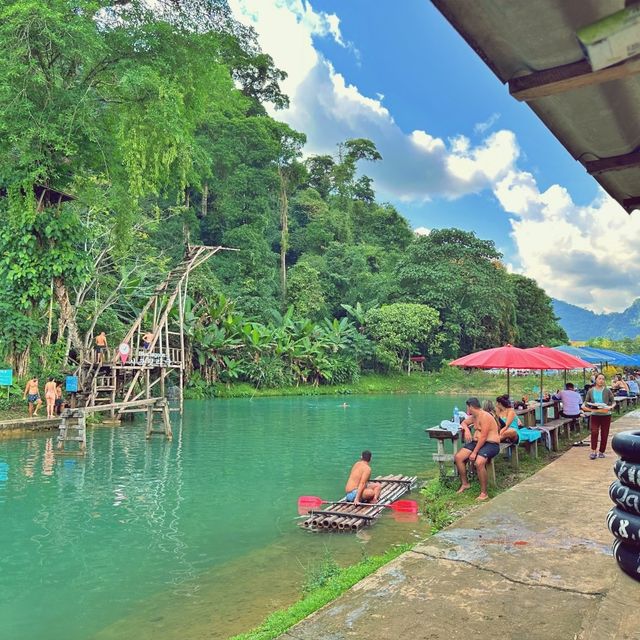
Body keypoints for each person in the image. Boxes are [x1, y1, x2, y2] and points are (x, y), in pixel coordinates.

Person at [454, 397, 500, 501]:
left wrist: (474, 452)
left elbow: (483, 436)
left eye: (467, 407)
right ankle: (465, 484)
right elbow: (463, 423)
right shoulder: (474, 416)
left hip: (490, 444)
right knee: (458, 457)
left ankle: (484, 492)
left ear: (470, 407)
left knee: (479, 462)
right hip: (477, 442)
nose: (467, 409)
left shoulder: (485, 416)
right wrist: (466, 430)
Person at [582, 373, 615, 460]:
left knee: (604, 433)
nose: (601, 380)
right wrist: (587, 407)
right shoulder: (591, 391)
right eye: (599, 378)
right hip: (595, 415)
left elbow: (613, 401)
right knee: (594, 432)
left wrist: (610, 407)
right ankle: (593, 451)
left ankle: (601, 451)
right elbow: (586, 402)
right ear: (595, 380)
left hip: (606, 415)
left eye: (603, 379)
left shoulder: (607, 391)